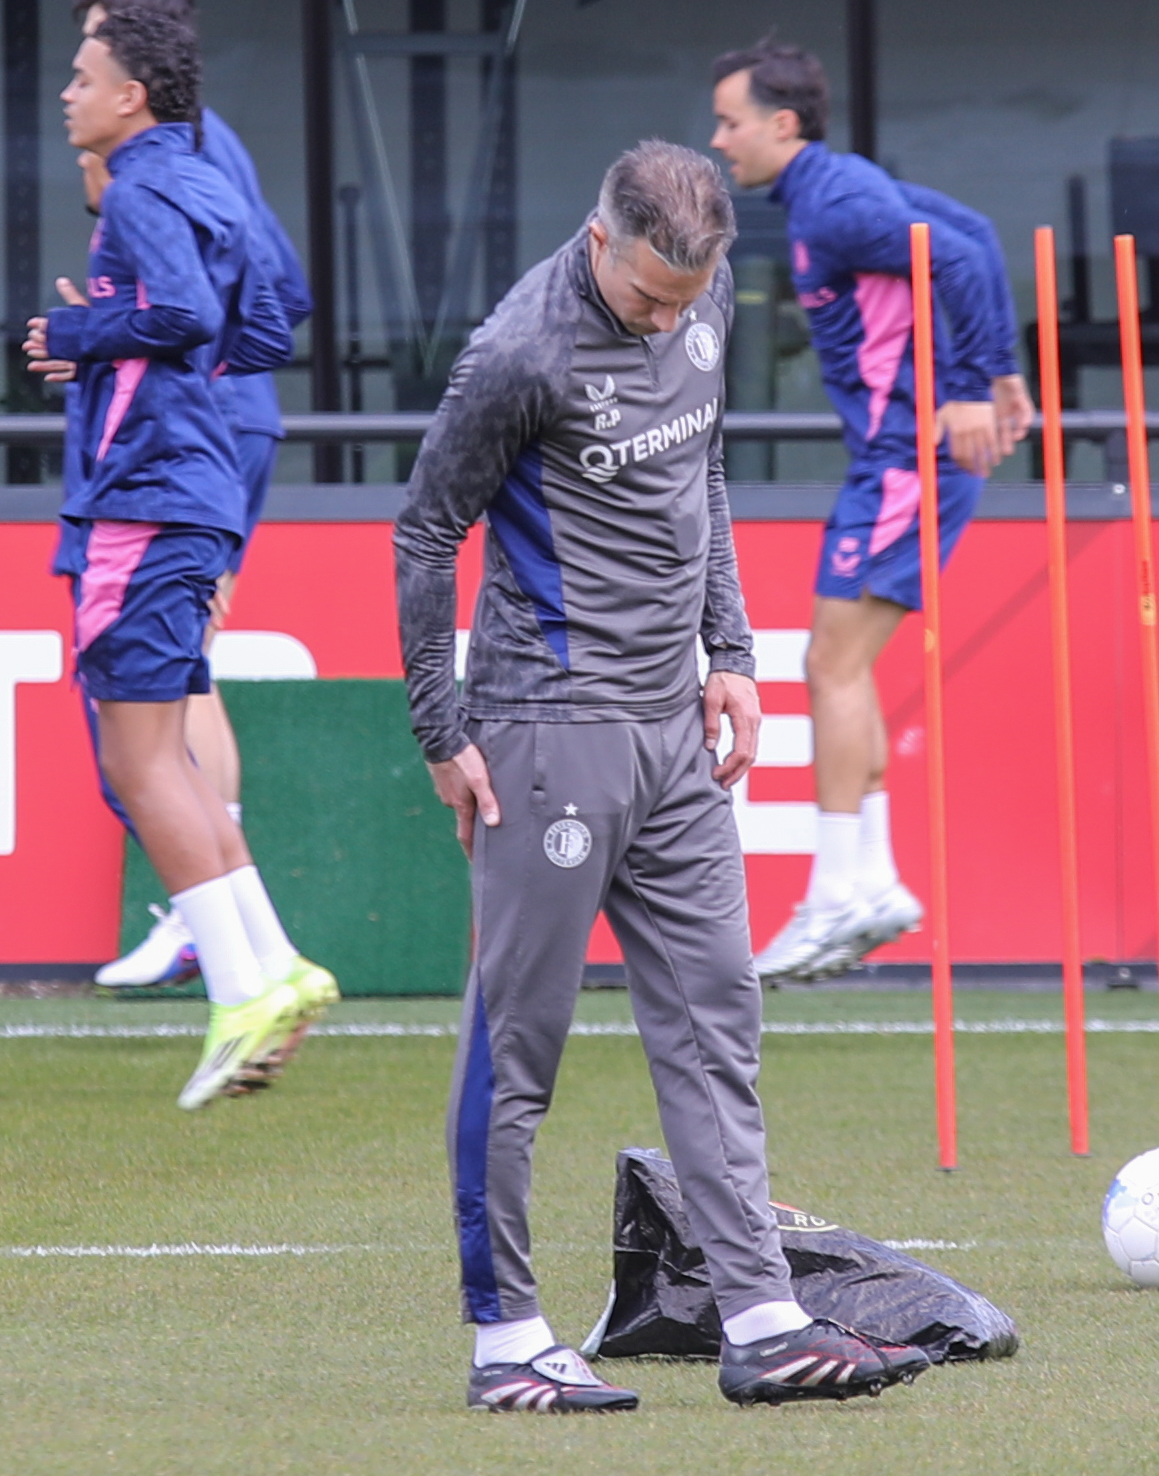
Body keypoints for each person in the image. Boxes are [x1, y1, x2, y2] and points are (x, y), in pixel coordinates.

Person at [395, 140, 930, 1412]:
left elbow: (704, 475)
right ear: (599, 242)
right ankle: (505, 1340)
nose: (668, 319)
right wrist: (440, 723)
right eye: (646, 299)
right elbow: (425, 528)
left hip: (674, 733)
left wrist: (731, 652)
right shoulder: (517, 354)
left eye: (687, 301)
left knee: (716, 1022)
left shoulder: (700, 307)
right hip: (547, 729)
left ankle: (761, 1321)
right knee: (518, 1044)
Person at [24, 9, 320, 1107]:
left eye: (82, 73)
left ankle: (243, 990)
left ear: (130, 96)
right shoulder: (206, 176)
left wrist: (82, 340)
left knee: (138, 761)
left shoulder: (142, 184)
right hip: (193, 488)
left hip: (142, 499)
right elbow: (269, 318)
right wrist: (126, 360)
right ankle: (270, 967)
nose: (68, 91)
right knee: (172, 757)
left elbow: (184, 312)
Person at [708, 40, 1031, 984]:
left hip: (905, 460)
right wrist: (1003, 370)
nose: (719, 141)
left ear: (783, 123)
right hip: (897, 458)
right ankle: (872, 880)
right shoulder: (833, 188)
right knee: (843, 669)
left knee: (828, 664)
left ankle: (837, 894)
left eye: (731, 121)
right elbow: (970, 228)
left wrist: (975, 384)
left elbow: (963, 253)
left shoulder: (839, 199)